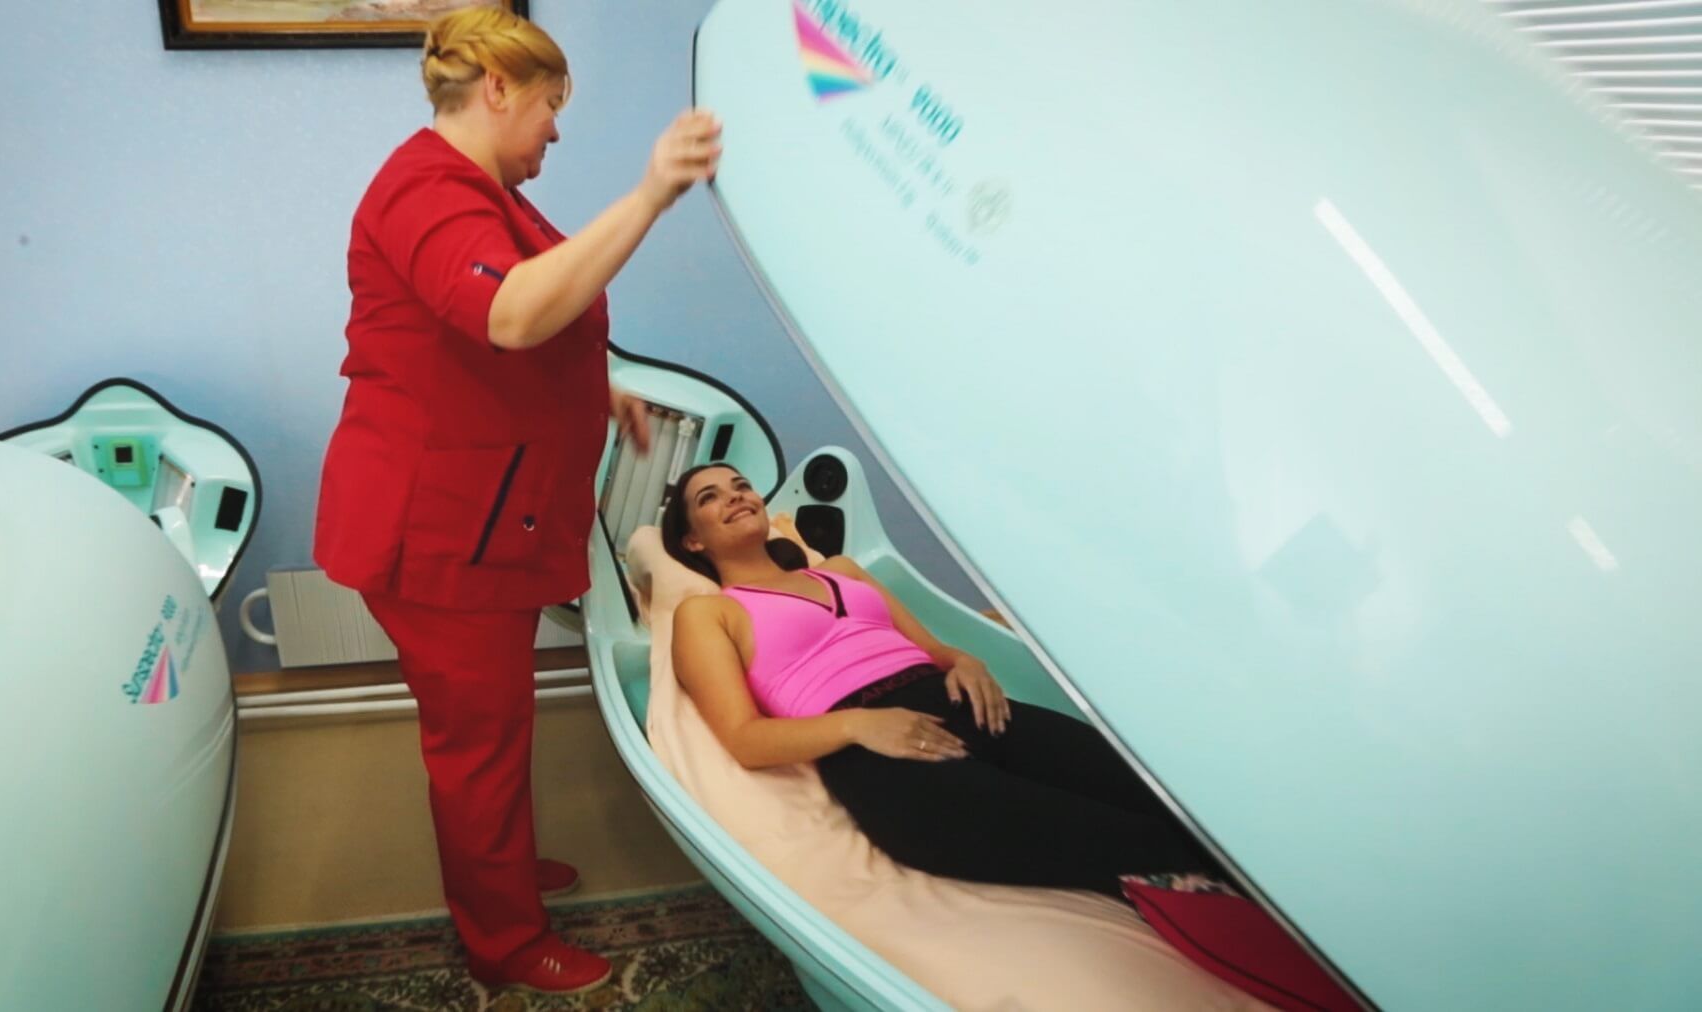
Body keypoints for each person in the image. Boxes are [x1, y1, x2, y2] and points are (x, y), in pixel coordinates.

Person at [313, 4, 720, 995]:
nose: (556, 131)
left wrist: (597, 387)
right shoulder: (426, 188)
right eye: (549, 106)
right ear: (497, 90)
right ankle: (502, 938)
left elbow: (525, 319)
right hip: (435, 532)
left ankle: (492, 865)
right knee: (479, 743)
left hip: (476, 516)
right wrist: (651, 194)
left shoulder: (479, 191)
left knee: (492, 725)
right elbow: (509, 312)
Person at [664, 464, 1219, 897]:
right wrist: (859, 726)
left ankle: (1233, 872)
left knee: (1153, 790)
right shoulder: (708, 613)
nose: (736, 495)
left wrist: (967, 661)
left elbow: (932, 650)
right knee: (1123, 839)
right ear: (692, 541)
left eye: (741, 486)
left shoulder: (842, 571)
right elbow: (744, 738)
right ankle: (1197, 893)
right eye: (710, 497)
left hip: (961, 702)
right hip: (877, 750)